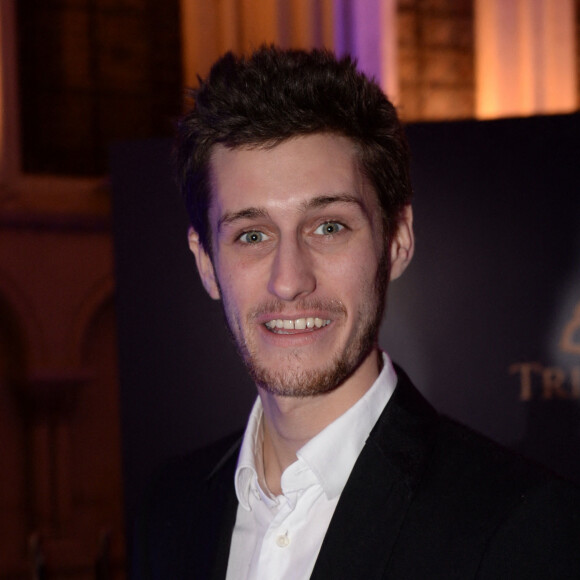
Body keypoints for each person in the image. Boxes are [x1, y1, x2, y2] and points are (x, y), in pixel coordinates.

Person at [132, 46, 580, 579]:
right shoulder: (171, 506)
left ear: (397, 240)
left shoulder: (518, 525)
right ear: (206, 263)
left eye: (328, 227)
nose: (290, 280)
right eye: (252, 235)